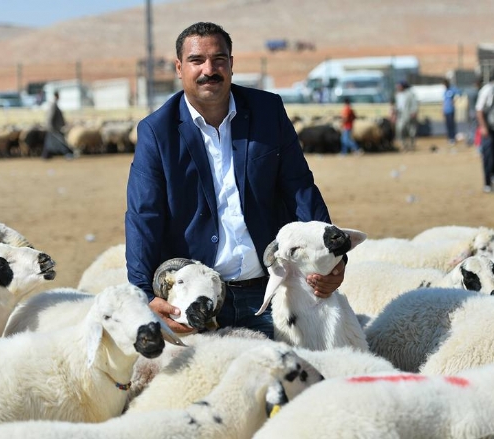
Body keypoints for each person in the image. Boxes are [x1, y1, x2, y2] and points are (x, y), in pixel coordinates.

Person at [125, 22, 346, 338]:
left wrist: (333, 257)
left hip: (271, 290)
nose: (209, 70)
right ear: (179, 67)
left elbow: (300, 188)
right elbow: (143, 215)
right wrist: (144, 295)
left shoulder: (267, 112)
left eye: (219, 59)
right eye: (197, 60)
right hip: (199, 300)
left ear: (231, 63)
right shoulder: (157, 132)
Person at [42, 91, 75, 160]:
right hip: (53, 128)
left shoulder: (54, 104)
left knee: (49, 142)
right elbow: (50, 116)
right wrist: (50, 126)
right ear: (56, 96)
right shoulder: (53, 105)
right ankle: (67, 153)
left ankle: (46, 155)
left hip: (53, 127)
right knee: (60, 141)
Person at [394, 80, 418, 151]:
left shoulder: (410, 94)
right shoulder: (397, 95)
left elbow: (414, 103)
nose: (397, 87)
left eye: (399, 85)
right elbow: (397, 105)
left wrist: (414, 111)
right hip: (400, 115)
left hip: (409, 114)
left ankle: (412, 145)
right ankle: (404, 145)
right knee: (400, 129)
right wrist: (394, 113)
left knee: (411, 132)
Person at [442, 79, 461, 144]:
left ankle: (453, 137)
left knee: (451, 124)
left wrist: (455, 100)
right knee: (447, 125)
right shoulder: (445, 91)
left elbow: (459, 93)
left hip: (451, 110)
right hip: (446, 110)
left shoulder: (452, 89)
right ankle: (449, 137)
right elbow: (444, 101)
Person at [465, 78, 481, 146]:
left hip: (470, 111)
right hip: (475, 112)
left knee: (469, 126)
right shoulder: (478, 92)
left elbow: (467, 103)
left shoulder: (469, 92)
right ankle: (473, 140)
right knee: (475, 126)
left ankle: (469, 139)